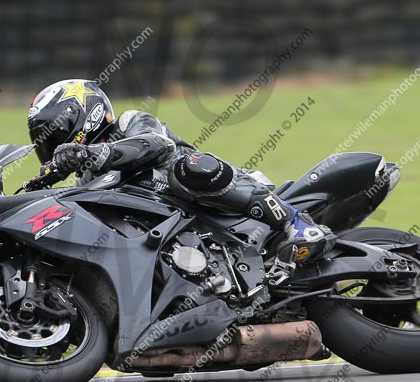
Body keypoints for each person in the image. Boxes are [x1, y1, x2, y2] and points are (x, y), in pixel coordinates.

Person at [26, 79, 335, 265]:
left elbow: (155, 145)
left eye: (54, 133)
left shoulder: (128, 122)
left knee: (187, 167)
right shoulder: (86, 181)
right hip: (185, 239)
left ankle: (296, 223)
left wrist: (93, 153)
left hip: (220, 201)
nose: (51, 144)